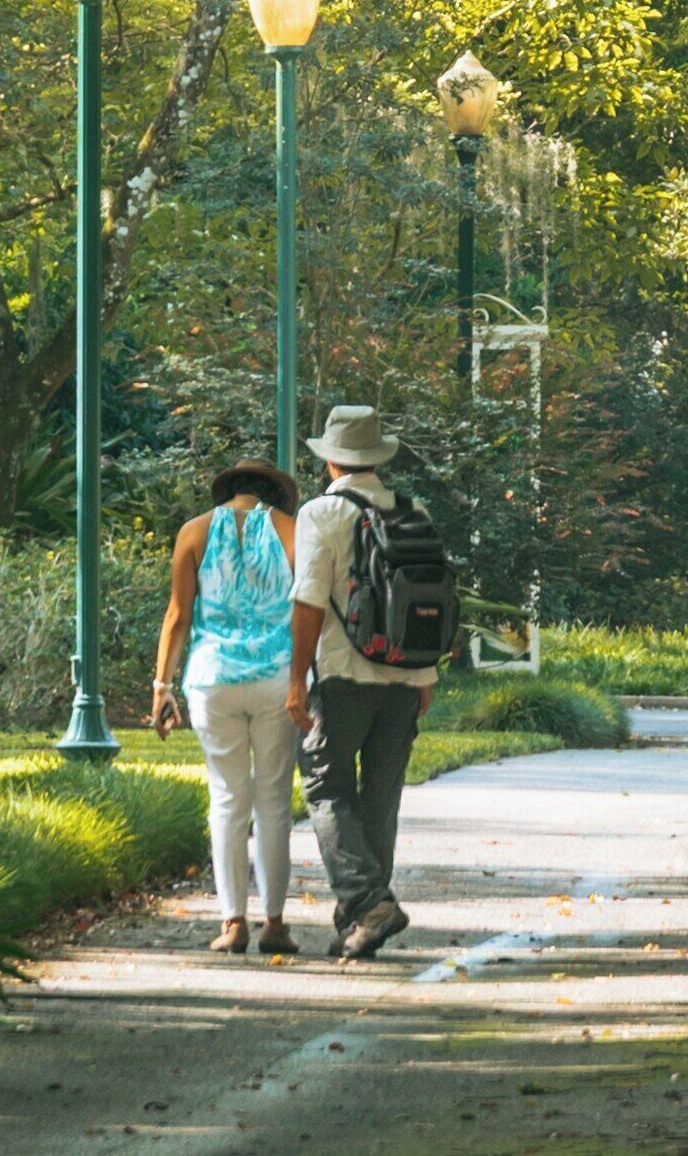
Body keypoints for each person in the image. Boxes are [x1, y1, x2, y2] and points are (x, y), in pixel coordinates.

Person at [287, 405, 436, 959]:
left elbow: (307, 601)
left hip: (343, 675)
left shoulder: (320, 513)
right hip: (404, 675)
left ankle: (369, 904)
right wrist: (426, 674)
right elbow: (424, 596)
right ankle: (361, 924)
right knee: (380, 798)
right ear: (377, 457)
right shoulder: (412, 509)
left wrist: (297, 681)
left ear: (330, 458)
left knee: (325, 787)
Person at [151, 457, 300, 957]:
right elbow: (310, 604)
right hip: (277, 678)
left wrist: (161, 684)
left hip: (213, 678)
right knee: (274, 799)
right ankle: (274, 923)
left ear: (228, 492)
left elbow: (178, 613)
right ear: (271, 494)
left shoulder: (194, 531)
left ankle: (233, 922)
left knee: (227, 798)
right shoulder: (289, 529)